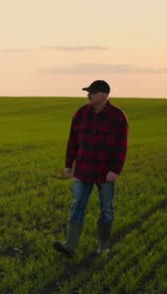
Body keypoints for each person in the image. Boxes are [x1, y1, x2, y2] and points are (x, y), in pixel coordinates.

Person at [53, 80, 129, 257]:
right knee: (77, 205)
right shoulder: (81, 114)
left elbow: (121, 146)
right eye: (88, 92)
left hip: (105, 173)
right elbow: (72, 140)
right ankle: (70, 245)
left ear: (103, 95)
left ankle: (103, 247)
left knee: (106, 209)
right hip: (83, 170)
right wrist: (68, 164)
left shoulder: (118, 117)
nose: (88, 95)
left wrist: (115, 170)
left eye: (92, 93)